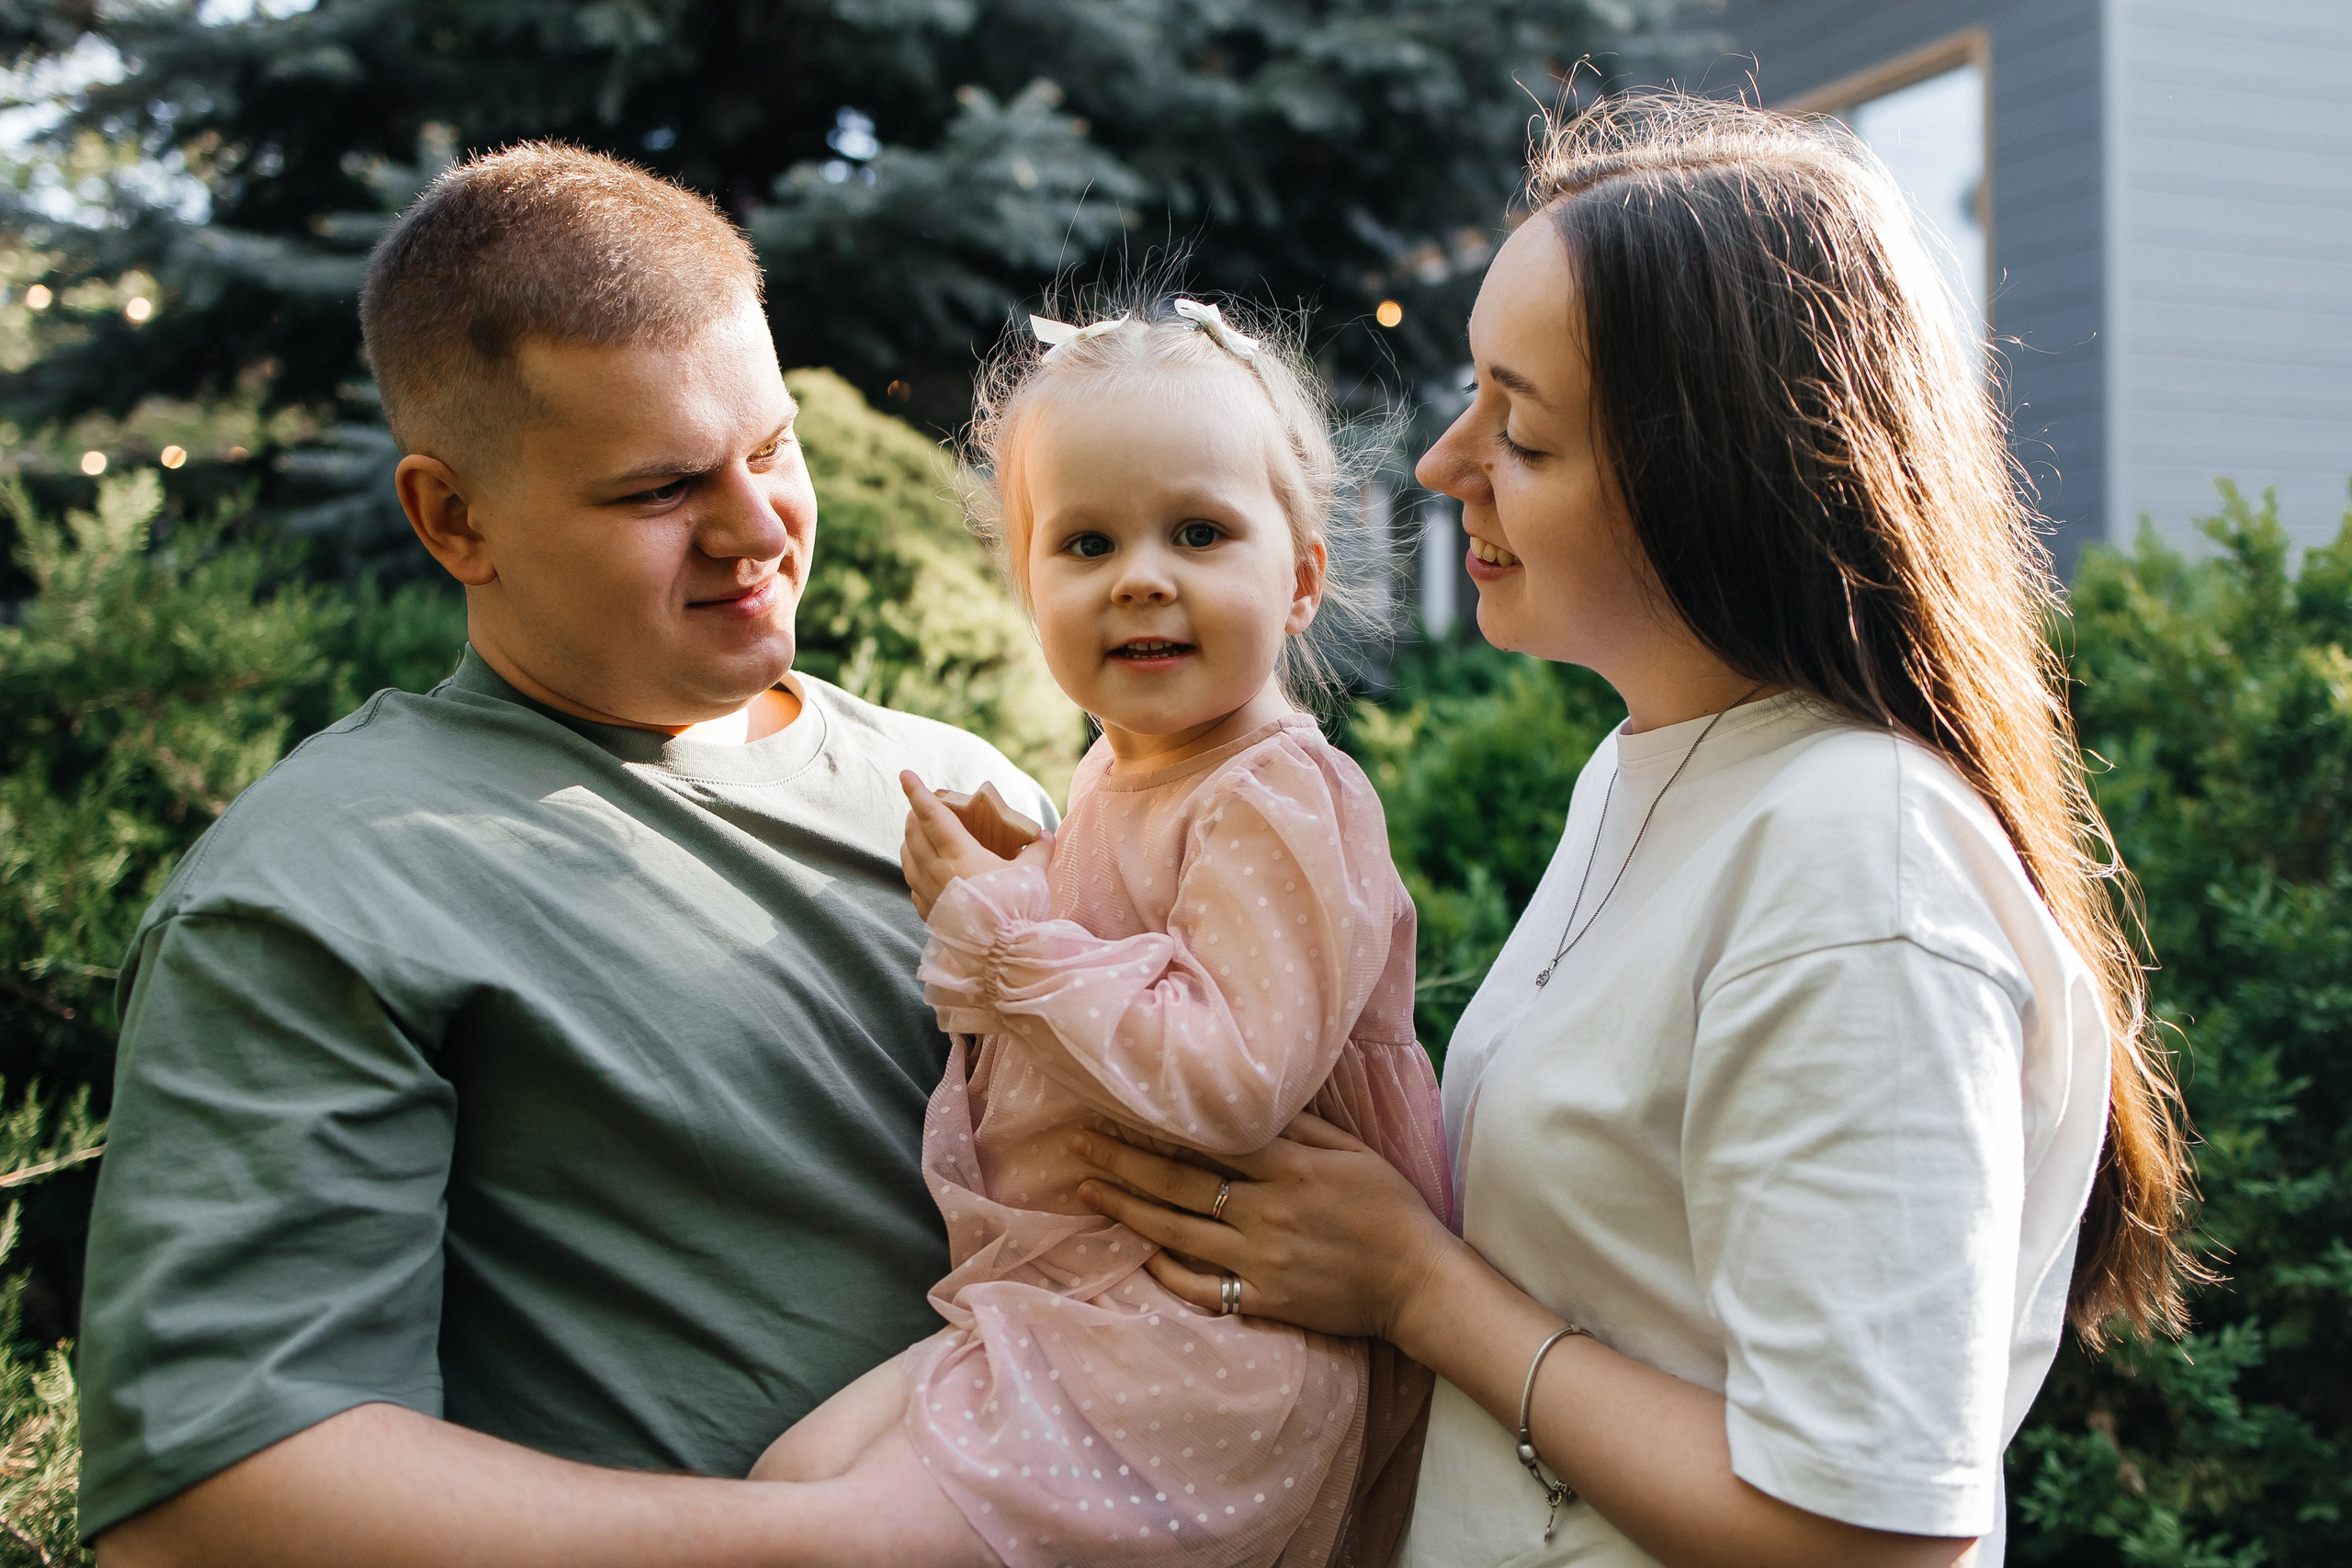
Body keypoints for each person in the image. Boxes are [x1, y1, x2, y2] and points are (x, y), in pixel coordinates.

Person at [1070, 96, 2199, 1568]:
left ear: (1710, 473)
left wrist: (1417, 1290)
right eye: (1471, 399)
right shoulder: (1648, 771)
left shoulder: (1863, 862)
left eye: (1523, 433)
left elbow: (1867, 1540)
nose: (1444, 465)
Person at [80, 142, 1059, 1567]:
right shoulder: (321, 885)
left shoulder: (966, 796)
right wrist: (836, 1544)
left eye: (771, 448)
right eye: (659, 490)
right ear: (452, 518)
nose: (756, 528)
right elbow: (209, 1502)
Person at [748, 299, 1452, 1567]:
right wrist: (1035, 876)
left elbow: (1229, 1077)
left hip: (1208, 1333)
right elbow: (1135, 971)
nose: (1141, 575)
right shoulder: (1123, 774)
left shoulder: (1277, 793)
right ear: (1029, 585)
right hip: (1080, 1297)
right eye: (1086, 542)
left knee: (817, 1539)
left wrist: (1001, 927)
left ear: (1300, 578)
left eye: (1199, 532)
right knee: (787, 1475)